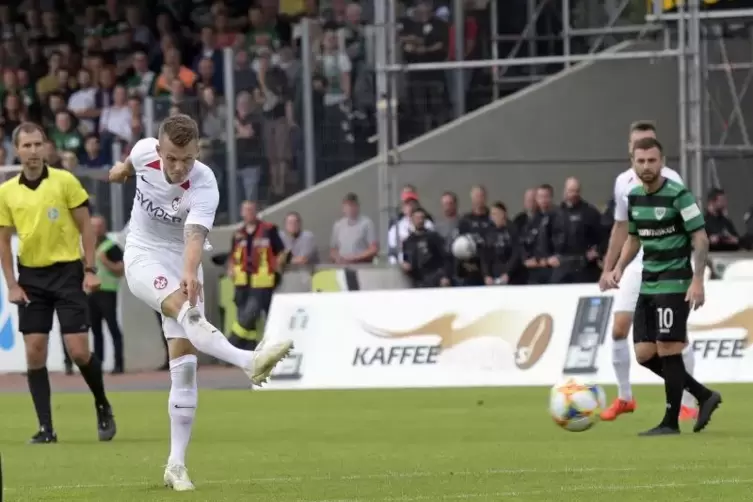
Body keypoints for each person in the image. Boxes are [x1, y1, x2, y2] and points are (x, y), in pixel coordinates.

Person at [108, 114, 293, 491]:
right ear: (159, 150)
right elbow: (127, 166)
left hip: (183, 259)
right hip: (143, 255)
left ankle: (176, 464)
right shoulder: (144, 151)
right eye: (173, 158)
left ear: (197, 152)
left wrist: (190, 271)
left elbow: (194, 235)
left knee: (186, 367)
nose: (179, 167)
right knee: (185, 310)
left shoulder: (206, 182)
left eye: (187, 159)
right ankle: (248, 360)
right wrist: (119, 171)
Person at [0, 122, 116, 444]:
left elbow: (86, 228)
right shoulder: (6, 192)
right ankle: (46, 428)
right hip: (32, 277)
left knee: (78, 351)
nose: (34, 151)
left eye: (38, 145)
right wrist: (11, 283)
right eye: (27, 146)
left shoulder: (65, 181)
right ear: (17, 150)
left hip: (67, 273)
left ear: (45, 147)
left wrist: (90, 269)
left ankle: (102, 404)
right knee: (34, 352)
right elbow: (3, 241)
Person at [603, 137, 721, 435]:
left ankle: (670, 422)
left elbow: (701, 237)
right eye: (640, 161)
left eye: (651, 160)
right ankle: (704, 395)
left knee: (669, 348)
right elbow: (633, 238)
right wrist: (618, 266)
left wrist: (697, 280)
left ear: (662, 161)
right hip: (648, 282)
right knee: (644, 354)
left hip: (675, 280)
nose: (646, 166)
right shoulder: (634, 197)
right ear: (633, 163)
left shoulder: (679, 195)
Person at [226, 201, 289, 350]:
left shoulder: (269, 230)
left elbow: (281, 252)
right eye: (246, 210)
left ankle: (230, 344)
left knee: (249, 315)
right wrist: (230, 269)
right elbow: (233, 256)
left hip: (262, 282)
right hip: (242, 283)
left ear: (256, 212)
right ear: (241, 213)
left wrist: (279, 266)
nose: (249, 213)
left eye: (251, 210)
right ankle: (248, 348)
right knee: (247, 320)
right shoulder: (238, 234)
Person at [90, 215, 125, 374]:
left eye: (99, 226)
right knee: (95, 330)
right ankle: (97, 363)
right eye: (93, 226)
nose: (96, 230)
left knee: (112, 327)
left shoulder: (111, 247)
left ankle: (119, 364)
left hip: (107, 291)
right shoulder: (87, 246)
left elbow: (120, 270)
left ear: (104, 228)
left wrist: (106, 261)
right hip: (90, 293)